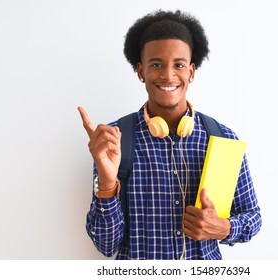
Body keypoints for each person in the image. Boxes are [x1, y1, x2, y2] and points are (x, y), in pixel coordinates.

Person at [77, 9, 261, 260]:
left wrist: (224, 228)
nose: (168, 75)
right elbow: (107, 246)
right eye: (156, 64)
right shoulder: (114, 142)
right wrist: (108, 186)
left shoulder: (223, 139)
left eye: (179, 65)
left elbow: (252, 216)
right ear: (141, 71)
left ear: (191, 72)